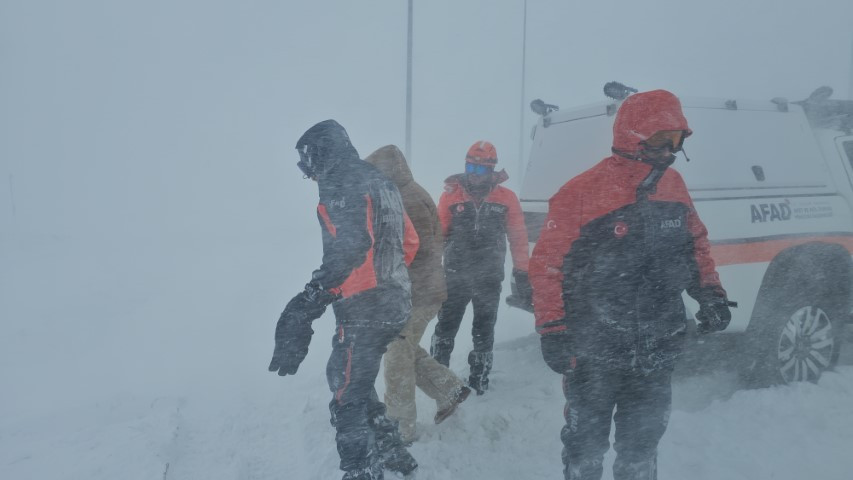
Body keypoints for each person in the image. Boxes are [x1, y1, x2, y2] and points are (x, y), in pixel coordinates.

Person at [529, 90, 732, 480]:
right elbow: (547, 266)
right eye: (660, 139)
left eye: (676, 140)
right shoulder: (581, 191)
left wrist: (710, 293)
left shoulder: (673, 185)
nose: (669, 150)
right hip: (594, 350)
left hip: (658, 345)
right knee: (584, 449)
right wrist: (553, 329)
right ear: (633, 136)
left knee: (641, 448)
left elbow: (696, 245)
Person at [268, 120, 421, 480]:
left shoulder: (339, 181)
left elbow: (352, 248)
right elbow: (408, 243)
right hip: (395, 302)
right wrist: (387, 279)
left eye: (307, 164)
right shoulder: (381, 181)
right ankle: (392, 452)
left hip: (365, 309)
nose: (308, 176)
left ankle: (360, 470)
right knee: (353, 377)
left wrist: (314, 297)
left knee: (346, 396)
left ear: (320, 153)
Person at [365, 145, 471, 444]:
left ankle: (399, 430)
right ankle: (448, 389)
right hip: (419, 291)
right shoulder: (404, 192)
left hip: (417, 293)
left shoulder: (405, 198)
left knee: (397, 354)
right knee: (403, 346)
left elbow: (411, 251)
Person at [430, 140, 532, 395]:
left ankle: (479, 379)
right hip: (455, 275)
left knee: (484, 329)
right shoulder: (451, 195)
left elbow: (518, 238)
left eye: (480, 170)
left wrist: (522, 271)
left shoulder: (506, 199)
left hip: (489, 276)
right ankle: (436, 376)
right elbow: (438, 235)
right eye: (470, 168)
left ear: (491, 170)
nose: (473, 175)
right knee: (445, 326)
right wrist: (429, 270)